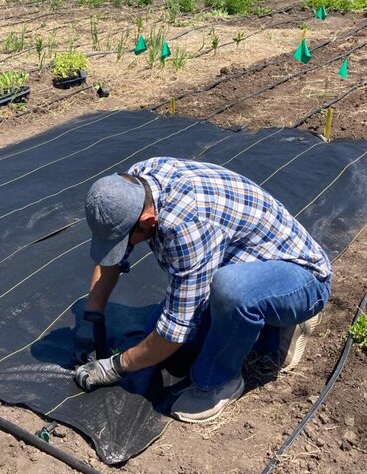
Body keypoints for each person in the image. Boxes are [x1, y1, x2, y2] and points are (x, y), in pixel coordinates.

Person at [73, 157, 331, 424]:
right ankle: (262, 317)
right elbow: (111, 259)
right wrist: (92, 315)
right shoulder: (133, 184)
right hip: (242, 260)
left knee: (228, 293)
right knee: (162, 344)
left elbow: (174, 331)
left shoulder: (186, 227)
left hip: (302, 276)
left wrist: (115, 367)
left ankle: (221, 381)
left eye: (124, 240)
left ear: (149, 221)